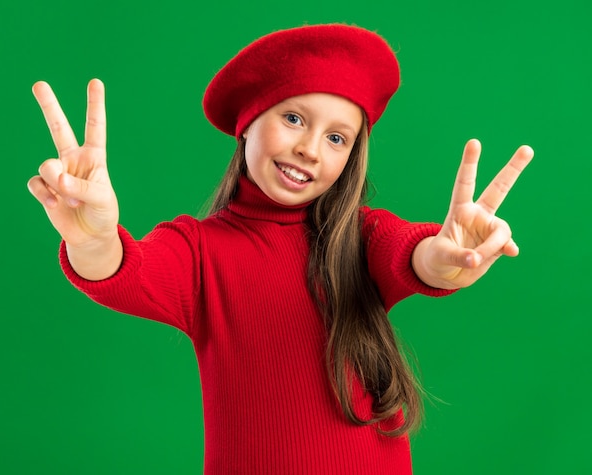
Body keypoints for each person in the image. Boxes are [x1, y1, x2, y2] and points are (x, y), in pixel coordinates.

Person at [28, 23, 533, 474]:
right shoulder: (199, 251)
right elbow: (126, 271)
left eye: (337, 138)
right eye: (294, 119)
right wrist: (91, 238)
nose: (311, 148)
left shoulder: (360, 237)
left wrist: (447, 260)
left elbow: (416, 256)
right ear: (247, 122)